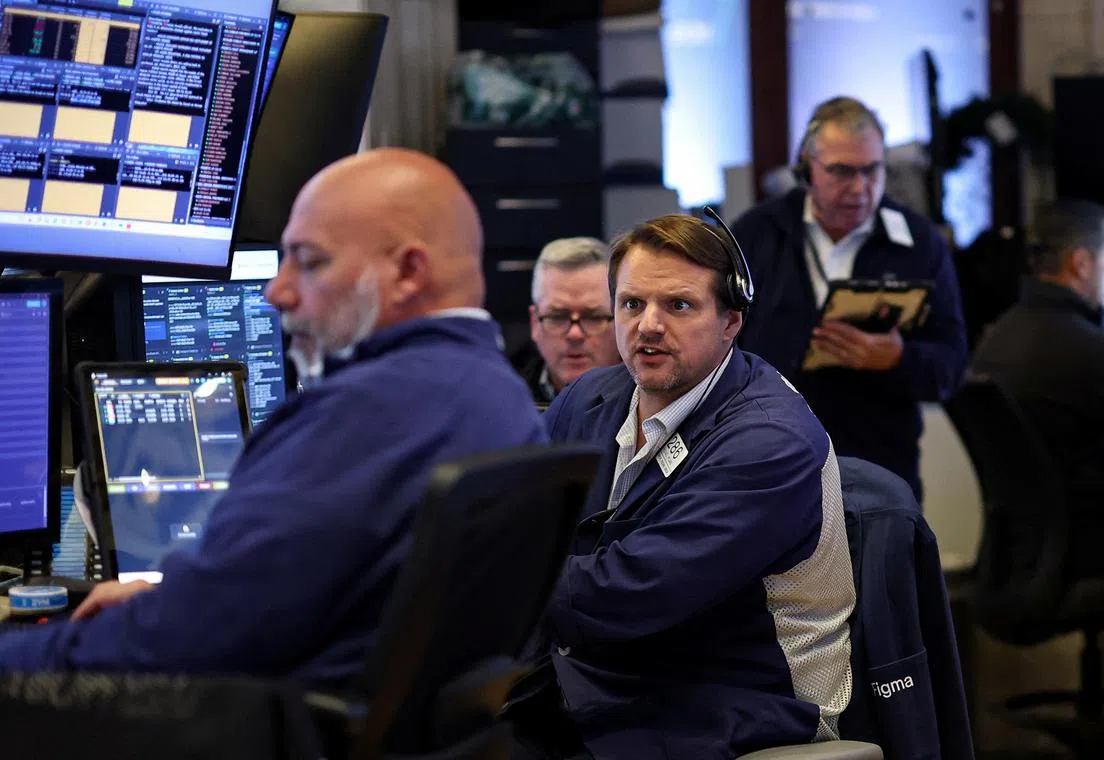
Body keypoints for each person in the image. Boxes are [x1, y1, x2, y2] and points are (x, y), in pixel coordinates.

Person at [0, 148, 548, 682]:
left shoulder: (364, 413)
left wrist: (24, 654)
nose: (277, 291)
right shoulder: (498, 396)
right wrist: (181, 600)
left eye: (309, 261)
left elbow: (184, 643)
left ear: (407, 272)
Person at [515, 213, 856, 759]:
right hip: (606, 678)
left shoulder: (769, 439)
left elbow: (631, 592)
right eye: (631, 305)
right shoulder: (589, 399)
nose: (648, 325)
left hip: (736, 699)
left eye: (678, 305)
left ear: (730, 322)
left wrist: (481, 580)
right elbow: (519, 523)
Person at [731, 96, 967, 499]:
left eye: (872, 171)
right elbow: (718, 347)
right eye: (841, 171)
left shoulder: (917, 242)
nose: (860, 189)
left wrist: (897, 359)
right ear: (806, 165)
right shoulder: (756, 234)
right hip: (769, 467)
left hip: (879, 472)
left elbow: (951, 365)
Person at [971, 198, 1104, 578]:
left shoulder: (999, 336)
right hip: (1089, 543)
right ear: (1081, 264)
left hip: (1018, 553)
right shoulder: (1090, 350)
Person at [511, 237, 622, 403]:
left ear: (621, 321)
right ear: (534, 323)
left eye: (593, 317)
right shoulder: (500, 403)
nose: (575, 334)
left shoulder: (653, 403)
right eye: (558, 317)